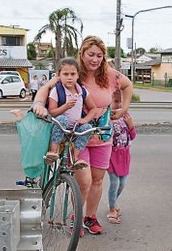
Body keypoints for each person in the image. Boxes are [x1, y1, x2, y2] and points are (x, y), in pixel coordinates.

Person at [32, 36, 133, 235]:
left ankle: (90, 217)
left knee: (97, 179)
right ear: (82, 54)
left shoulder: (110, 75)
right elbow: (46, 88)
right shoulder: (72, 73)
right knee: (84, 180)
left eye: (99, 55)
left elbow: (128, 86)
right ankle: (76, 217)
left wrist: (124, 109)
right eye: (90, 55)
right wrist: (37, 104)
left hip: (103, 135)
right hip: (78, 136)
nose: (95, 59)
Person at [44, 58, 100, 171]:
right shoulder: (57, 90)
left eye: (72, 74)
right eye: (65, 74)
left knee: (88, 128)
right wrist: (65, 107)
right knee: (63, 119)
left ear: (78, 75)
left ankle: (75, 158)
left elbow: (93, 108)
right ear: (59, 75)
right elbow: (52, 112)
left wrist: (85, 120)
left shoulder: (82, 91)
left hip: (74, 130)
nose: (69, 77)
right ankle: (53, 151)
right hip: (59, 128)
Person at [106, 110, 136, 224]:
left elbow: (132, 136)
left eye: (121, 102)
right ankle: (112, 209)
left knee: (122, 183)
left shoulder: (126, 116)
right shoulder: (107, 117)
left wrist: (131, 124)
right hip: (112, 155)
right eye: (116, 101)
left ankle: (112, 201)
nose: (119, 105)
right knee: (114, 183)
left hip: (124, 156)